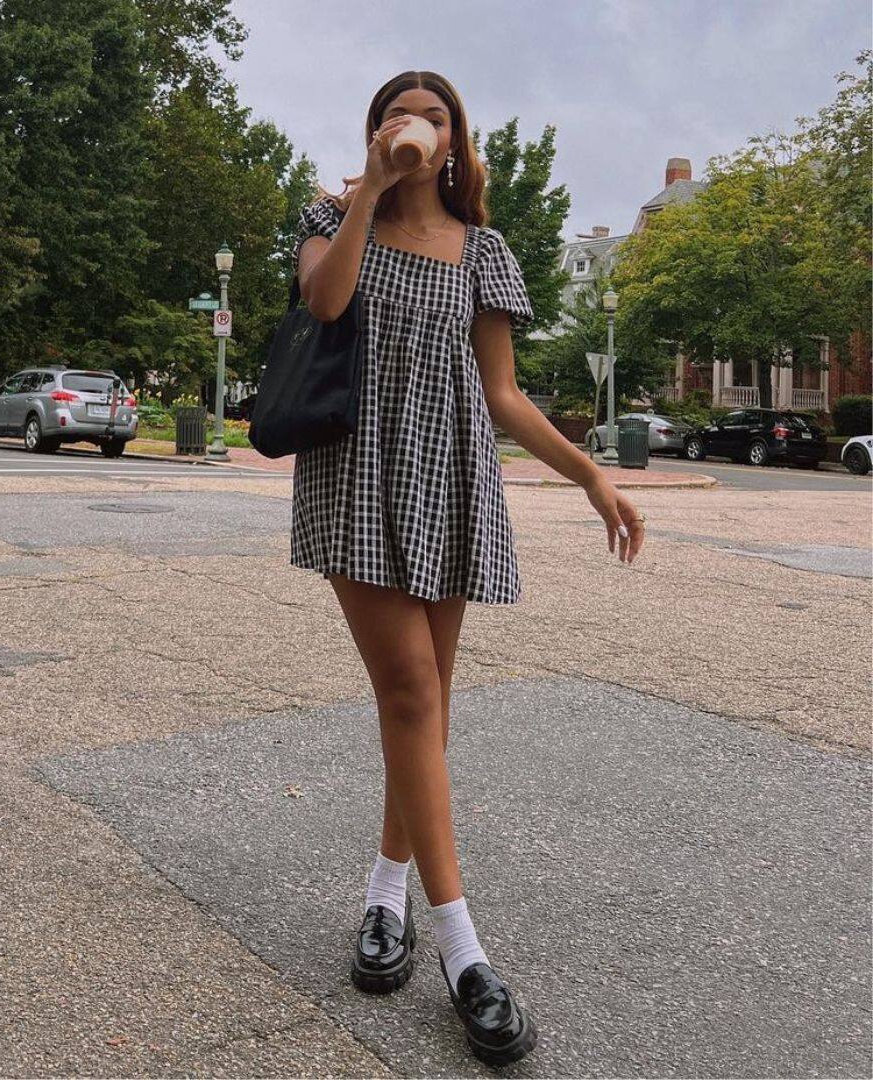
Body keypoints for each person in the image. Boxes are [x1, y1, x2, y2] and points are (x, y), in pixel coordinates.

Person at [291, 70, 646, 1067]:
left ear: (457, 143)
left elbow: (504, 393)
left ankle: (381, 900)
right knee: (409, 692)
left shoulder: (483, 249)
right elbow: (327, 301)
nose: (420, 129)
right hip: (355, 475)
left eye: (437, 117)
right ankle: (464, 953)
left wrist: (590, 478)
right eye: (402, 115)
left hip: (451, 478)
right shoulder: (330, 212)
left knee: (428, 710)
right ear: (376, 131)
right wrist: (367, 186)